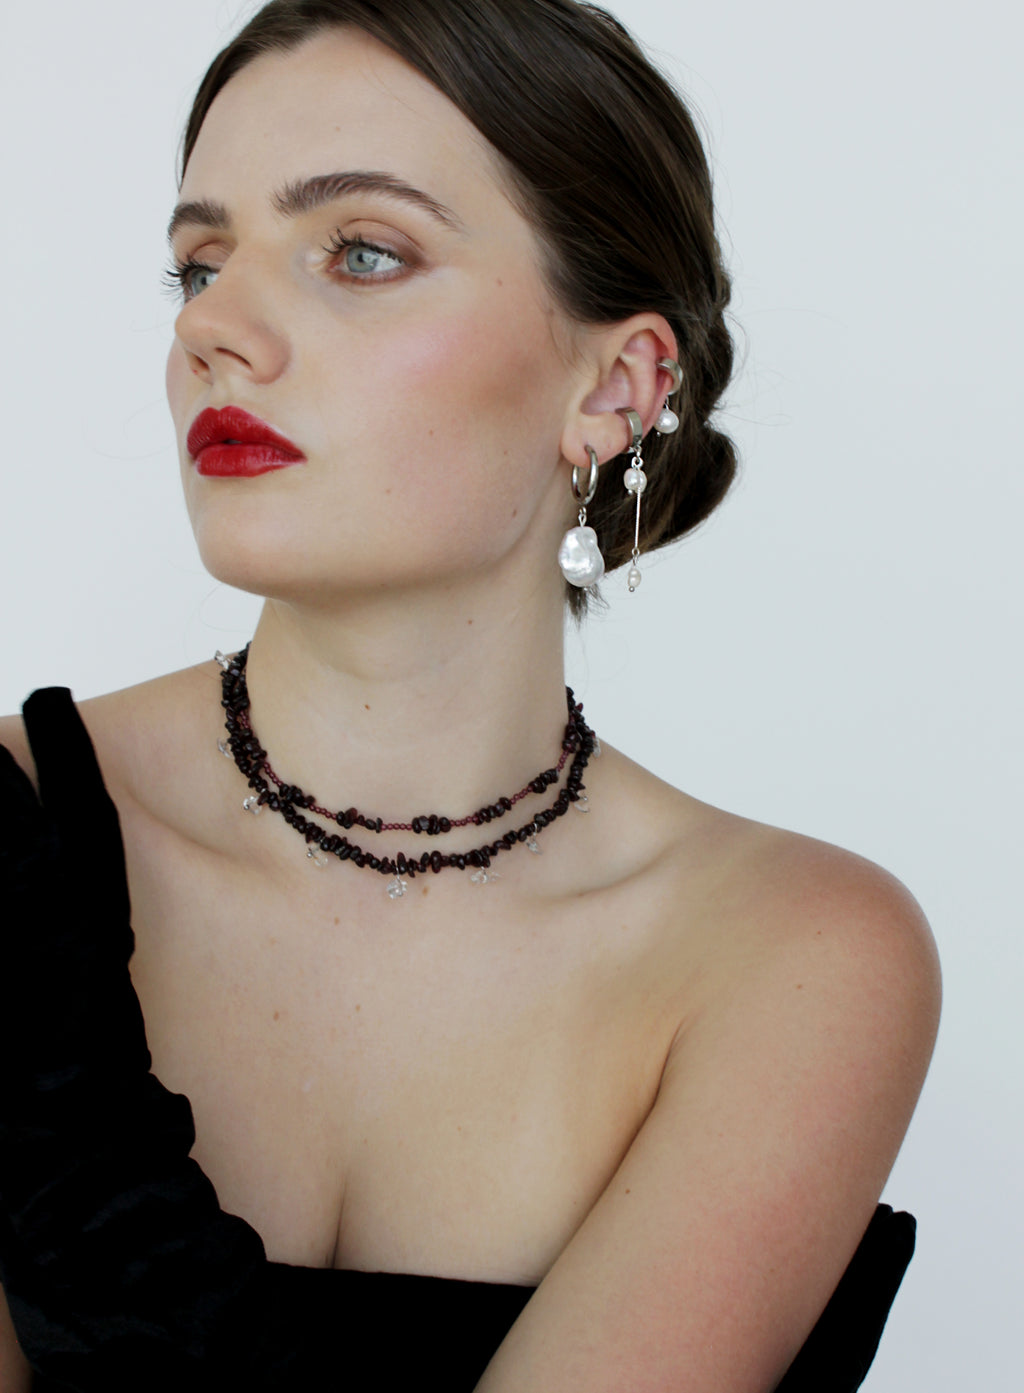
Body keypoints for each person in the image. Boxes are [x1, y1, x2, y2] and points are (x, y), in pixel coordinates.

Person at [0, 1, 941, 1388]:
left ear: (615, 386)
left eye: (363, 252)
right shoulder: (16, 833)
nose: (219, 329)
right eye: (199, 262)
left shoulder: (795, 954)